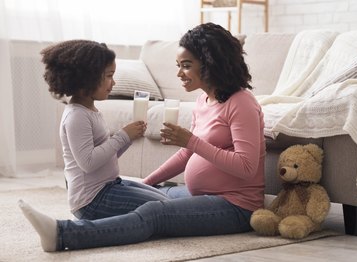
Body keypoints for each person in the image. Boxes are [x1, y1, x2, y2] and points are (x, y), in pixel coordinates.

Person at [19, 23, 266, 252]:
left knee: (155, 213)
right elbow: (187, 154)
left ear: (211, 64)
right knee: (157, 193)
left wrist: (191, 140)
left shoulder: (242, 103)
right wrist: (146, 183)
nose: (179, 73)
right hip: (203, 196)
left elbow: (246, 166)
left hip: (236, 207)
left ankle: (63, 234)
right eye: (178, 65)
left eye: (186, 65)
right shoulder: (204, 100)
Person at [40, 39, 170, 221]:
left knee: (166, 200)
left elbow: (106, 156)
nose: (113, 83)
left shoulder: (90, 110)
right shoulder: (77, 116)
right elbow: (88, 162)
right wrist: (123, 136)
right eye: (109, 76)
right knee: (163, 208)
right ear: (88, 78)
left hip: (108, 186)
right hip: (92, 201)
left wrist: (129, 137)